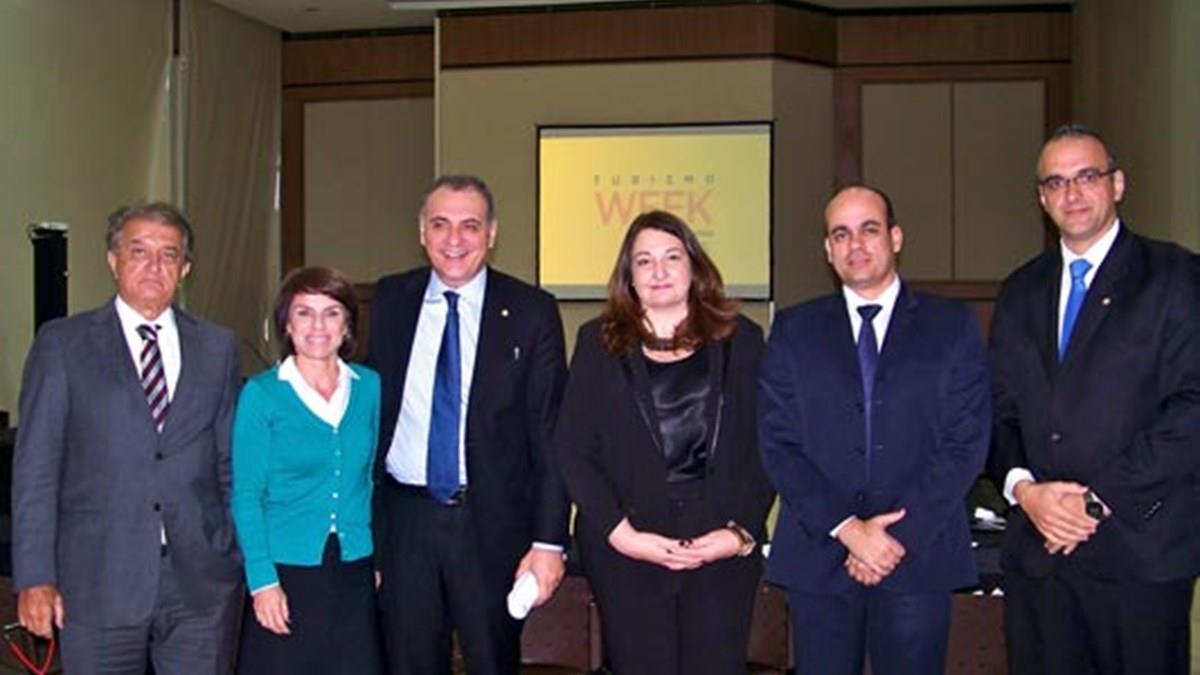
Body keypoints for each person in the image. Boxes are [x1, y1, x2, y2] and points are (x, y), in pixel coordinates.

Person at [989, 124, 1200, 675]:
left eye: (1087, 176)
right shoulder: (1019, 290)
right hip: (1040, 556)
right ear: (1042, 198)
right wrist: (1024, 490)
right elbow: (999, 409)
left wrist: (1095, 501)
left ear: (1117, 183)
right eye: (1056, 182)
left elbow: (1192, 408)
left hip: (1139, 553)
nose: (1072, 193)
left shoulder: (1177, 277)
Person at [758, 185, 990, 675]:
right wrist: (848, 530)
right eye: (841, 234)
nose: (856, 244)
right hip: (820, 555)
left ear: (895, 237)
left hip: (918, 554)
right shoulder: (794, 331)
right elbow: (778, 444)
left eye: (869, 229)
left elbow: (966, 440)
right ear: (828, 249)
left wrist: (892, 538)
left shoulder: (951, 325)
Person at [11, 202, 243, 673]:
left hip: (200, 586)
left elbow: (229, 464)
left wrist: (233, 555)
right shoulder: (63, 345)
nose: (154, 266)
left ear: (185, 269)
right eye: (139, 251)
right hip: (97, 581)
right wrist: (35, 577)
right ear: (113, 261)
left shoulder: (217, 348)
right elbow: (36, 469)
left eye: (168, 254)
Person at [554, 210, 774, 675]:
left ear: (694, 266)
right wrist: (623, 535)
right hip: (627, 547)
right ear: (628, 276)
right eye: (644, 261)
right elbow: (573, 449)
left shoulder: (743, 340)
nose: (659, 271)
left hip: (718, 545)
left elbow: (767, 447)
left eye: (672, 257)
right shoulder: (596, 343)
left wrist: (738, 534)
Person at [366, 174, 570, 675]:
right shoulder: (391, 300)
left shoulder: (531, 311)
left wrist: (549, 542)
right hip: (404, 522)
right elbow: (368, 413)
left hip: (491, 525)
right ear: (422, 232)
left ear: (492, 233)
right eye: (440, 224)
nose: (454, 239)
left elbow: (551, 438)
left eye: (469, 225)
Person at [230, 266, 382, 674]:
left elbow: (372, 479)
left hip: (354, 570)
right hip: (285, 573)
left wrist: (378, 558)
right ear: (287, 324)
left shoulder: (369, 387)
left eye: (331, 313)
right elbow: (246, 495)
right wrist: (262, 582)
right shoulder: (262, 394)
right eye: (304, 312)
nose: (318, 325)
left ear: (347, 326)